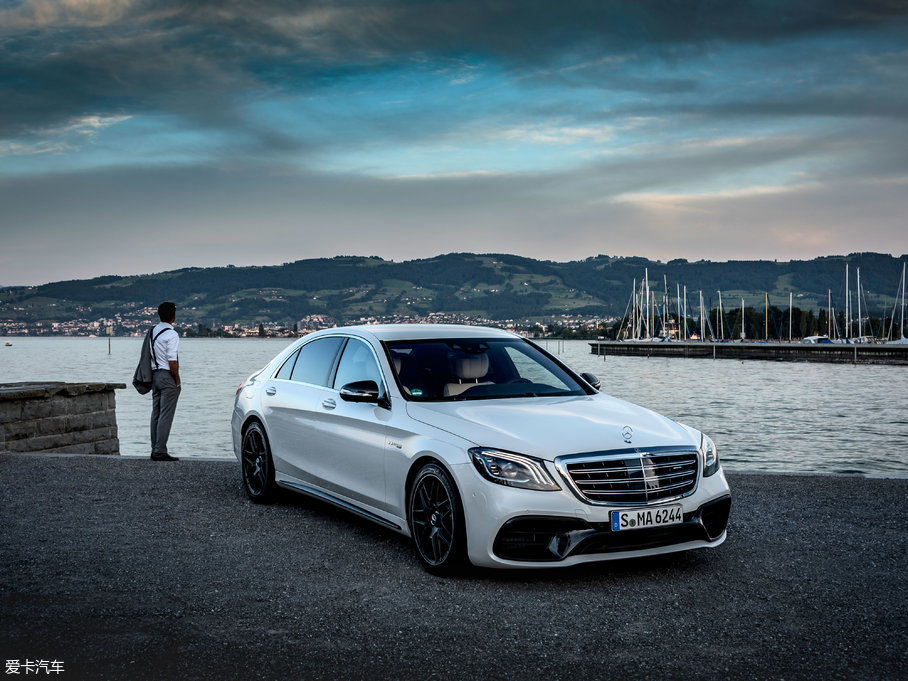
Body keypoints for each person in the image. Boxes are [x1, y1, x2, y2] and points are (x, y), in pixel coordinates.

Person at [150, 302, 181, 461]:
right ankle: (160, 450)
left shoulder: (153, 331)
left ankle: (154, 448)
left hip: (155, 375)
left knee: (156, 413)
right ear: (173, 316)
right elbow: (172, 360)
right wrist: (177, 380)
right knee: (165, 415)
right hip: (167, 376)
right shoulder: (172, 334)